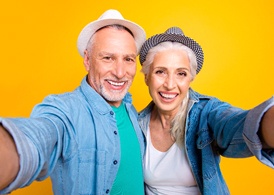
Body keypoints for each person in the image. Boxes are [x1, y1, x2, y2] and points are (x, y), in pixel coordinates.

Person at [0, 9, 146, 195]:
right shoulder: (65, 111)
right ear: (87, 60)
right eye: (108, 58)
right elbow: (37, 137)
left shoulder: (132, 111)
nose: (119, 72)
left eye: (128, 59)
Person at [138, 26, 274, 195]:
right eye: (160, 72)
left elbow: (236, 124)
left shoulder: (207, 113)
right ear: (146, 77)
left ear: (190, 79)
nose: (170, 84)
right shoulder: (136, 125)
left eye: (181, 73)